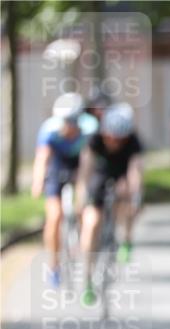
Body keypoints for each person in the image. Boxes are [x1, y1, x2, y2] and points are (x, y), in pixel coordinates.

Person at [77, 103, 144, 306]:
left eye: (119, 139)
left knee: (127, 204)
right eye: (110, 137)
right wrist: (81, 196)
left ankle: (126, 239)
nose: (114, 142)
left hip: (122, 175)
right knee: (91, 224)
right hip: (100, 174)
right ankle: (87, 279)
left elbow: (135, 172)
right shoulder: (95, 140)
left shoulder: (133, 142)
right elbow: (85, 170)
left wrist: (136, 196)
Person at [30, 92, 99, 287]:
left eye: (70, 121)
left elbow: (88, 163)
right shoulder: (50, 129)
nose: (66, 126)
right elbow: (42, 159)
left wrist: (82, 192)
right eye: (63, 121)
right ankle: (54, 264)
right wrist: (37, 182)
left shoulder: (89, 128)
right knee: (54, 216)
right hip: (58, 166)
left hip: (80, 165)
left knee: (82, 206)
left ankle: (81, 239)